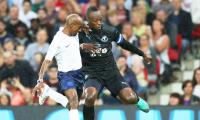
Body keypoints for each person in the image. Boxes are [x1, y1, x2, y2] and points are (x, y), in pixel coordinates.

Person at [79, 7, 151, 120]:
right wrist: (81, 46)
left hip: (111, 72)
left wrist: (142, 53)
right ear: (88, 20)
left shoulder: (110, 30)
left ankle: (137, 99)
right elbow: (66, 45)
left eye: (100, 19)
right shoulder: (79, 32)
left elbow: (124, 44)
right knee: (90, 96)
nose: (99, 23)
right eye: (95, 20)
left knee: (129, 98)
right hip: (92, 73)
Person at [32, 14, 85, 120]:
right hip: (66, 74)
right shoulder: (58, 39)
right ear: (71, 26)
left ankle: (48, 92)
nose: (79, 30)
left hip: (79, 73)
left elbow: (73, 44)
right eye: (78, 27)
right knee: (73, 99)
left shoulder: (74, 30)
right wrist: (40, 80)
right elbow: (46, 61)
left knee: (73, 105)